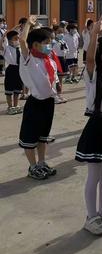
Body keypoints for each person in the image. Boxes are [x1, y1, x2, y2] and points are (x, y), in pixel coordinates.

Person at [75, 16, 102, 236]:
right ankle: (91, 216)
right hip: (97, 126)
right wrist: (95, 35)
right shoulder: (93, 74)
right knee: (95, 175)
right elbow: (89, 59)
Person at [18, 16, 58, 180]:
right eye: (47, 43)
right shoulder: (30, 59)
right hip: (35, 103)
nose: (50, 45)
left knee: (43, 136)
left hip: (48, 102)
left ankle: (41, 162)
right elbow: (22, 40)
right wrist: (28, 24)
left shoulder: (48, 59)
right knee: (30, 137)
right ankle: (32, 166)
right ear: (35, 45)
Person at [1, 30, 24, 114]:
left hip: (19, 69)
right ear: (10, 40)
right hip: (11, 69)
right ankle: (10, 107)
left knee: (17, 89)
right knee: (9, 89)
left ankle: (15, 105)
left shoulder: (19, 48)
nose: (17, 40)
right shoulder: (7, 48)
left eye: (18, 38)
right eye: (15, 38)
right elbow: (1, 45)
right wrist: (4, 35)